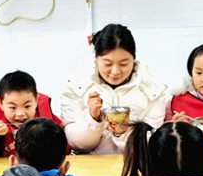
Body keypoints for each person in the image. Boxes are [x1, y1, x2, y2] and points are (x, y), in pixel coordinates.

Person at [61, 24, 167, 154]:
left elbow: (153, 141)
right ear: (96, 57)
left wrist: (124, 133)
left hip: (134, 164)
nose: (115, 71)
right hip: (90, 164)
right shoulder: (76, 84)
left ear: (134, 58)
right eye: (108, 64)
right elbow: (74, 142)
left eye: (124, 63)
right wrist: (92, 119)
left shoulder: (152, 88)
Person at [0, 71, 62, 158]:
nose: (20, 114)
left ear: (36, 101)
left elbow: (63, 150)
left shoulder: (51, 123)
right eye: (12, 107)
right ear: (0, 104)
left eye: (27, 106)